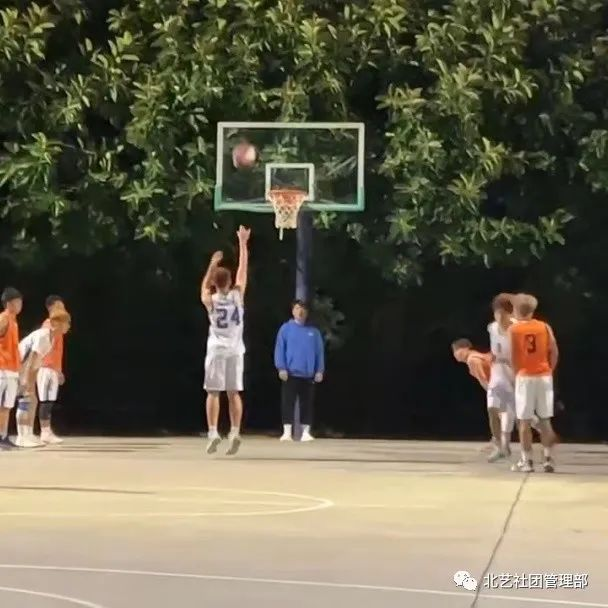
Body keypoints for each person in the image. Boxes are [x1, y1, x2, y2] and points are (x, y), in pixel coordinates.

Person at [200, 225, 250, 456]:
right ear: (230, 282)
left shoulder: (211, 299)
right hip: (235, 349)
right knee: (233, 392)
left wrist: (212, 264)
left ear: (215, 283)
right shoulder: (237, 296)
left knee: (213, 392)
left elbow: (204, 286)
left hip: (216, 349)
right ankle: (235, 430)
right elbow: (243, 270)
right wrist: (243, 244)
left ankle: (213, 432)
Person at [509, 293, 559, 473]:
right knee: (545, 419)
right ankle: (548, 459)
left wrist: (516, 375)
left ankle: (527, 461)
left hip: (525, 376)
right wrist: (550, 370)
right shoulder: (544, 326)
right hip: (544, 375)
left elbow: (513, 355)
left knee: (524, 420)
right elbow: (554, 350)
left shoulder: (514, 330)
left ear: (516, 310)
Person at [17, 309, 71, 448]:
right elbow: (30, 360)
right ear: (57, 323)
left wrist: (31, 383)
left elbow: (36, 364)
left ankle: (28, 433)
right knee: (26, 399)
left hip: (24, 367)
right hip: (17, 366)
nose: (68, 326)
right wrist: (26, 381)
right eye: (66, 322)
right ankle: (21, 436)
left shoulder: (50, 340)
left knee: (33, 399)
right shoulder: (44, 336)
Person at [274, 300, 324, 442]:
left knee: (306, 404)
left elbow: (319, 352)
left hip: (308, 374)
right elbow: (280, 349)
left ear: (307, 312)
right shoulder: (285, 329)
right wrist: (281, 367)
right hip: (290, 373)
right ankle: (287, 432)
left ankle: (305, 432)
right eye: (297, 308)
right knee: (287, 403)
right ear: (292, 311)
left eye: (303, 309)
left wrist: (319, 370)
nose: (300, 312)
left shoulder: (314, 332)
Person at [451, 339, 502, 450]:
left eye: (456, 350)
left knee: (499, 413)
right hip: (501, 386)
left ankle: (498, 442)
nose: (455, 354)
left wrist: (493, 394)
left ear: (466, 348)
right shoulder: (477, 356)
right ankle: (497, 441)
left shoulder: (472, 360)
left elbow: (484, 380)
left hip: (498, 387)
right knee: (498, 414)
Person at [486, 293, 516, 462]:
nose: (499, 317)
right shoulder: (492, 328)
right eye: (497, 313)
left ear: (510, 314)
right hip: (497, 372)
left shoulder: (517, 329)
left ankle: (508, 446)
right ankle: (498, 445)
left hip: (514, 372)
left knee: (512, 414)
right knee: (492, 408)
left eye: (503, 314)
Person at [36, 295, 68, 444]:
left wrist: (59, 370)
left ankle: (47, 431)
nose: (62, 308)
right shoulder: (48, 325)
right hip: (45, 367)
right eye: (59, 306)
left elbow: (57, 351)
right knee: (45, 400)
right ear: (51, 307)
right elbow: (42, 348)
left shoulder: (58, 327)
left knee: (50, 401)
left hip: (53, 368)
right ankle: (44, 431)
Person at [0, 288, 23, 450]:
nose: (20, 305)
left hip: (12, 369)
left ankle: (4, 436)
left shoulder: (14, 322)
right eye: (17, 302)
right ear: (9, 303)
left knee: (7, 406)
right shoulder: (4, 318)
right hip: (2, 367)